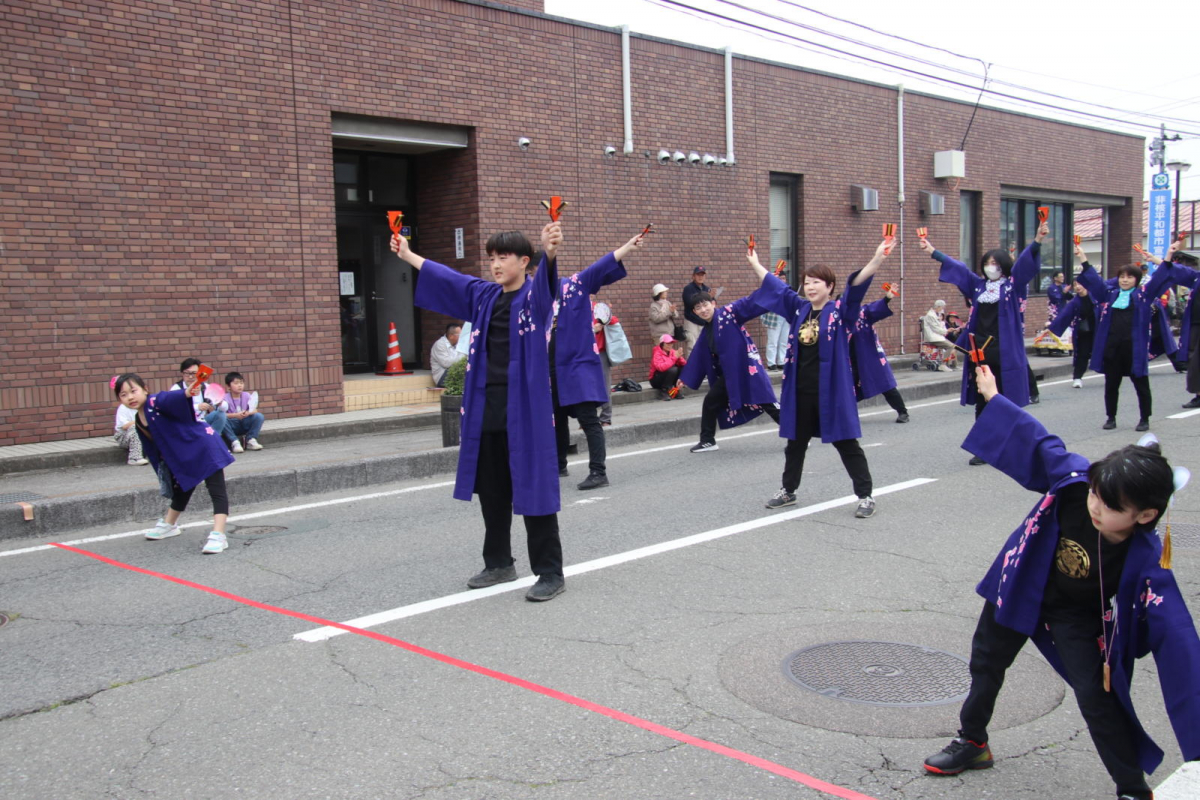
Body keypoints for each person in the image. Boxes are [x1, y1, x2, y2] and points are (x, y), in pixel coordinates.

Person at [922, 363, 1199, 800]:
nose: (1095, 506)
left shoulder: (1146, 556)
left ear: (1144, 515)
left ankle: (1132, 787)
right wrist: (993, 398)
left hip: (1076, 616)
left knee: (1096, 696)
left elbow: (1177, 633)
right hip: (1021, 584)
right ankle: (973, 742)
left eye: (1109, 506)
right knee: (986, 664)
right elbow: (1039, 441)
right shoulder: (1076, 482)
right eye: (1095, 494)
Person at [392, 221, 567, 602]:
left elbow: (548, 285)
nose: (496, 264)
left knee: (534, 488)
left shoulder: (535, 297)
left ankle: (550, 571)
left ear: (524, 262)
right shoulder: (485, 296)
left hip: (526, 408)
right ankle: (499, 563)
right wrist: (407, 255)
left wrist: (549, 250)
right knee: (492, 489)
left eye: (504, 257)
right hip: (487, 405)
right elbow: (449, 278)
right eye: (492, 257)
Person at [748, 240, 888, 518]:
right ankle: (788, 490)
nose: (811, 287)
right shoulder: (799, 309)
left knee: (846, 443)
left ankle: (866, 495)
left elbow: (857, 288)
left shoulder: (840, 311)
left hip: (832, 391)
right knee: (795, 443)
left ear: (829, 286)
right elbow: (776, 287)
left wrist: (877, 259)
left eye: (817, 282)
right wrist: (754, 261)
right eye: (807, 282)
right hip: (801, 391)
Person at [918, 224, 1046, 465]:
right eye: (988, 263)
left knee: (1005, 401)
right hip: (980, 349)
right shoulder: (978, 286)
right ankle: (984, 448)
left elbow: (1025, 265)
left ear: (1004, 267)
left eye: (996, 264)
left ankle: (1012, 444)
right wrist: (932, 251)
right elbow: (959, 269)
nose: (991, 268)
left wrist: (1037, 240)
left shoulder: (1012, 286)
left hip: (1005, 350)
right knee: (982, 399)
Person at [550, 232, 645, 491]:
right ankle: (558, 464)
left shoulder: (573, 285)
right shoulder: (533, 296)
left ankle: (598, 471)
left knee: (588, 419)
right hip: (551, 367)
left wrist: (628, 246)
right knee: (555, 417)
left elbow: (602, 264)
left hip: (577, 364)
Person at [114, 373, 234, 554]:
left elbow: (170, 398)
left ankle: (218, 535)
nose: (130, 397)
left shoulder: (155, 401)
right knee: (183, 487)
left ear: (145, 389)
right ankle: (170, 525)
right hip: (185, 453)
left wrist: (186, 392)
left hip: (204, 446)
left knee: (216, 490)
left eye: (133, 391)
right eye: (123, 395)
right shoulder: (139, 419)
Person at [1075, 242, 1178, 432]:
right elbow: (1095, 282)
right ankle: (1111, 417)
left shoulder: (1144, 296)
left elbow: (1160, 278)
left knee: (1141, 385)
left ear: (1137, 279)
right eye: (1122, 276)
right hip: (1113, 348)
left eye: (1129, 277)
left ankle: (1144, 418)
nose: (1124, 280)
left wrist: (1168, 256)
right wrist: (1082, 257)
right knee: (1111, 385)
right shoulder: (1110, 295)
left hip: (1134, 349)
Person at [679, 287, 781, 453]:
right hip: (730, 375)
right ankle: (707, 440)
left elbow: (749, 303)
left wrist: (768, 286)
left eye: (705, 305)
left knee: (768, 402)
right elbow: (698, 355)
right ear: (694, 312)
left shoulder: (729, 313)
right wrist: (685, 378)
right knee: (711, 401)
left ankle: (796, 435)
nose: (703, 310)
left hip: (747, 369)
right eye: (698, 308)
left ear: (713, 303)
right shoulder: (707, 331)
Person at [851, 283, 909, 422]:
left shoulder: (863, 313)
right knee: (846, 387)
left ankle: (903, 412)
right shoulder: (836, 318)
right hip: (849, 357)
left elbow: (875, 308)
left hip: (869, 355)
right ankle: (845, 415)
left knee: (885, 383)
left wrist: (887, 298)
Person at [1153, 254, 1200, 408]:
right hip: (1194, 324)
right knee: (1194, 360)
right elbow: (1179, 271)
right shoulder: (1196, 277)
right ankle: (1198, 394)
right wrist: (1159, 261)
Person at [170, 358, 235, 450]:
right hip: (185, 423)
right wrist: (197, 407)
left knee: (220, 415)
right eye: (187, 373)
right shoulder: (176, 388)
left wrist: (219, 402)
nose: (190, 377)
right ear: (182, 373)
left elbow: (224, 408)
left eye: (194, 373)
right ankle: (210, 445)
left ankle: (212, 443)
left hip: (202, 421)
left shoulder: (205, 387)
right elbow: (174, 408)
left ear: (200, 373)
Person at [1049, 280, 1097, 389]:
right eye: (1075, 285)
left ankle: (1111, 375)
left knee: (1104, 353)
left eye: (1080, 284)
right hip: (1083, 332)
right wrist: (1052, 327)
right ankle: (1077, 378)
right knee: (1082, 355)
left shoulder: (1095, 297)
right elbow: (1065, 315)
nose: (1078, 287)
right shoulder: (1075, 302)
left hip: (1098, 331)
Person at [222, 372, 264, 452]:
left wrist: (248, 413)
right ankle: (234, 442)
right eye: (236, 383)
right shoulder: (224, 398)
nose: (240, 385)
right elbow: (221, 415)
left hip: (245, 421)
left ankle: (250, 440)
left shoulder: (247, 395)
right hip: (232, 424)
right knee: (222, 419)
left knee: (259, 416)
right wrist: (235, 415)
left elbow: (254, 410)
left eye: (241, 383)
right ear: (228, 386)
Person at [591, 300, 617, 426]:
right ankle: (589, 418)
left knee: (605, 384)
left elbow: (614, 321)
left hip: (600, 351)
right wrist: (592, 329)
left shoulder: (598, 307)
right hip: (584, 353)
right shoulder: (574, 307)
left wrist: (607, 315)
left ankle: (606, 417)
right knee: (588, 387)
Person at [680, 266, 711, 358]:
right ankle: (692, 370)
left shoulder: (707, 288)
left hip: (704, 322)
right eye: (698, 275)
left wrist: (712, 298)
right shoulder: (688, 289)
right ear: (693, 276)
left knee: (706, 346)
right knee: (692, 346)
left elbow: (711, 305)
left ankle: (704, 370)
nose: (700, 277)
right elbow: (690, 303)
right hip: (692, 321)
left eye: (702, 275)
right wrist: (706, 297)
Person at [920, 299, 958, 370]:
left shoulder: (934, 314)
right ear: (938, 307)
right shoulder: (931, 315)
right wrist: (947, 331)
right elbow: (936, 328)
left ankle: (951, 365)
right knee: (951, 346)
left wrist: (946, 330)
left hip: (937, 336)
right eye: (942, 308)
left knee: (952, 346)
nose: (942, 310)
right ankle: (943, 364)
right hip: (933, 337)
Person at [113, 393, 148, 466]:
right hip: (124, 435)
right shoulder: (123, 408)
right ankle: (134, 458)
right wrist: (139, 421)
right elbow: (124, 426)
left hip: (143, 434)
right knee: (134, 427)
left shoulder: (146, 406)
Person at [648, 334, 687, 400]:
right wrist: (674, 358)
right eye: (668, 343)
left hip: (667, 377)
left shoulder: (672, 351)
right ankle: (664, 392)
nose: (670, 345)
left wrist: (679, 357)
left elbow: (685, 364)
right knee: (673, 370)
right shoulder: (657, 353)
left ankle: (675, 391)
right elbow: (661, 367)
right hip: (655, 380)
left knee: (682, 368)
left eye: (671, 343)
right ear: (662, 344)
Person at [430, 323, 463, 387]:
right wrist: (464, 354)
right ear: (451, 336)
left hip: (454, 373)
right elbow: (446, 364)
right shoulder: (439, 344)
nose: (462, 337)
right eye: (460, 335)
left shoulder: (458, 344)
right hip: (442, 377)